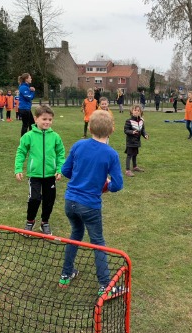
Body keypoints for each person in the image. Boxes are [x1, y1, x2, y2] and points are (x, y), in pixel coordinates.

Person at [58, 110, 124, 296]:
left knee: (76, 234)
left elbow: (66, 170)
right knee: (98, 243)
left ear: (89, 127)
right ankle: (106, 286)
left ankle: (66, 273)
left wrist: (97, 183)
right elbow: (117, 185)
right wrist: (106, 185)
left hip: (70, 202)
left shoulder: (79, 145)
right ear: (112, 130)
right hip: (88, 205)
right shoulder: (111, 154)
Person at [15, 105, 65, 236]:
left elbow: (61, 154)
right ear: (36, 119)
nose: (47, 122)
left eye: (50, 119)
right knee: (35, 199)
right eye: (44, 119)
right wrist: (18, 168)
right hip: (35, 175)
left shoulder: (55, 137)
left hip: (50, 175)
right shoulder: (28, 136)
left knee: (49, 200)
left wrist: (59, 169)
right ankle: (30, 222)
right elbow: (21, 152)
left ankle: (45, 222)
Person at [124, 104, 149, 177]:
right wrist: (132, 132)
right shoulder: (129, 121)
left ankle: (135, 167)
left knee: (135, 154)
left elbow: (142, 130)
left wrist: (145, 135)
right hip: (130, 141)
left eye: (138, 111)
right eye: (135, 110)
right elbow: (126, 130)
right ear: (131, 111)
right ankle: (127, 170)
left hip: (137, 142)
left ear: (141, 112)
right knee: (129, 155)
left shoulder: (141, 121)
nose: (136, 112)